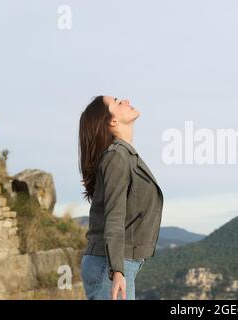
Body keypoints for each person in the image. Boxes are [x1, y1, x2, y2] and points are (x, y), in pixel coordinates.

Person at [78, 95, 163, 300]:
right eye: (117, 102)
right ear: (112, 121)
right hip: (110, 265)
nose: (125, 100)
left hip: (114, 263)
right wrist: (117, 270)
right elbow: (114, 217)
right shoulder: (117, 156)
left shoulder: (124, 155)